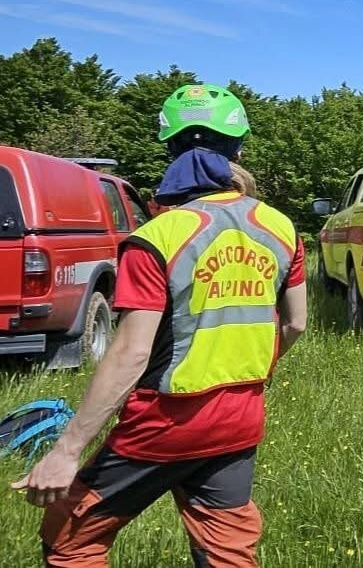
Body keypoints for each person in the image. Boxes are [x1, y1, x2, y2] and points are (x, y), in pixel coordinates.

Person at [13, 84, 307, 566]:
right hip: (242, 414)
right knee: (228, 551)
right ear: (238, 146)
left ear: (170, 148)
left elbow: (130, 353)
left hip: (164, 421)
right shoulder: (280, 227)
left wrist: (68, 450)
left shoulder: (156, 237)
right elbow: (295, 324)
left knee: (70, 540)